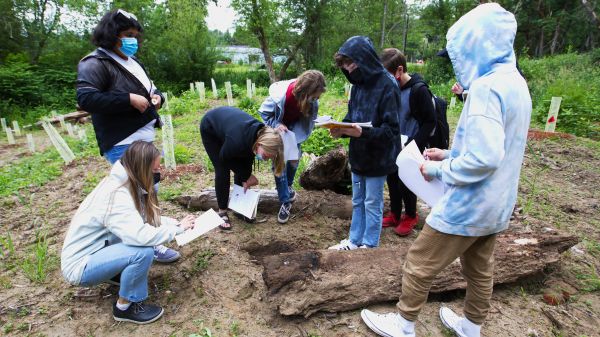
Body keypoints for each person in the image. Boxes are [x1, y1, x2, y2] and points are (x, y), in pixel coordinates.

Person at [360, 3, 531, 337]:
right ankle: (471, 326)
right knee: (480, 269)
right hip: (498, 202)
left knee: (420, 261)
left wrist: (436, 170)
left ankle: (404, 323)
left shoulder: (485, 89)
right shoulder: (515, 83)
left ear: (474, 46)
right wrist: (449, 153)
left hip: (470, 202)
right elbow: (499, 146)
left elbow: (484, 159)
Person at [76, 9, 180, 263]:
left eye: (136, 35)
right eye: (127, 35)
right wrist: (127, 99)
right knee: (134, 195)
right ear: (112, 35)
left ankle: (150, 236)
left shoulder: (132, 63)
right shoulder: (95, 63)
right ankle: (141, 244)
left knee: (149, 189)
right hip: (122, 142)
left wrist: (158, 98)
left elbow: (153, 90)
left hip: (144, 140)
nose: (133, 40)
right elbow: (86, 98)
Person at [61, 141, 196, 324]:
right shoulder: (116, 195)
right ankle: (126, 307)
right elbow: (139, 235)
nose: (158, 173)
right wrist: (176, 231)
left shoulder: (125, 183)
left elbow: (138, 220)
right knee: (142, 251)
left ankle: (115, 272)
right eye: (155, 169)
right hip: (81, 266)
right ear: (142, 168)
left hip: (99, 251)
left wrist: (176, 224)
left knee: (139, 248)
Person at [328, 36, 401, 250]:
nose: (348, 70)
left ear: (364, 58)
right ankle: (354, 240)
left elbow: (392, 131)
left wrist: (363, 134)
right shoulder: (357, 86)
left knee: (372, 203)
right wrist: (340, 129)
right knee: (358, 200)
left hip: (378, 158)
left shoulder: (388, 85)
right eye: (344, 65)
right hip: (359, 156)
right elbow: (352, 118)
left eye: (349, 63)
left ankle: (369, 246)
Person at [380, 48, 436, 236]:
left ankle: (411, 215)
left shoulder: (419, 90)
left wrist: (414, 143)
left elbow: (430, 122)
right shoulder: (391, 89)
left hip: (411, 144)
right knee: (392, 178)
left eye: (387, 75)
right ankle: (395, 213)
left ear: (399, 70)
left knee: (407, 181)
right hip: (393, 142)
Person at [200, 106, 285, 230]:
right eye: (266, 156)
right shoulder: (238, 140)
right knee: (222, 169)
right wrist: (247, 176)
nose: (265, 159)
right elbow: (225, 157)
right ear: (260, 144)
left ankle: (238, 207)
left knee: (243, 162)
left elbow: (246, 160)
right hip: (211, 127)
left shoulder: (260, 135)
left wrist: (245, 176)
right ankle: (222, 211)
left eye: (268, 158)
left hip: (230, 128)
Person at [259, 70, 326, 224]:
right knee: (279, 168)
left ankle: (287, 187)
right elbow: (264, 113)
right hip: (277, 132)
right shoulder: (282, 96)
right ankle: (285, 201)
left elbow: (309, 119)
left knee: (294, 162)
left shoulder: (311, 100)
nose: (316, 100)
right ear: (304, 91)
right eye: (314, 96)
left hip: (293, 133)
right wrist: (277, 124)